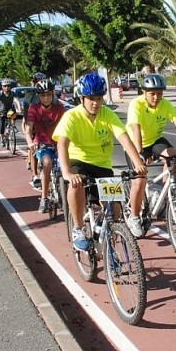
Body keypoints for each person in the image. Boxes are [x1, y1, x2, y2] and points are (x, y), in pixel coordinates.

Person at [52, 72, 147, 251]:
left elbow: (124, 138)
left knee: (116, 213)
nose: (96, 103)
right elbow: (62, 144)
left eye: (99, 98)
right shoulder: (71, 116)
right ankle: (78, 228)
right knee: (76, 184)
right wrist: (67, 173)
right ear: (82, 98)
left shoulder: (107, 114)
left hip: (102, 165)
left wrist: (138, 163)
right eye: (91, 98)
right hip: (78, 160)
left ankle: (110, 249)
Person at [124, 73, 176, 237]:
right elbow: (135, 128)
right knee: (139, 180)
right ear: (144, 92)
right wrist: (140, 153)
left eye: (159, 93)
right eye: (152, 94)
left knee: (173, 156)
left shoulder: (164, 104)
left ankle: (165, 194)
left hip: (154, 140)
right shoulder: (135, 104)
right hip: (135, 144)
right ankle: (134, 217)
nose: (156, 97)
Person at [26, 78, 66, 213]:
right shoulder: (34, 108)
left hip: (59, 143)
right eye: (43, 95)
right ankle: (44, 198)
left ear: (53, 94)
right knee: (47, 163)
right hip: (43, 144)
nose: (46, 98)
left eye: (49, 94)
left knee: (68, 165)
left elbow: (68, 125)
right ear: (38, 96)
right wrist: (30, 142)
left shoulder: (59, 107)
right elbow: (28, 129)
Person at [25, 72, 47, 178]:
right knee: (33, 147)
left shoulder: (51, 94)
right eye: (37, 82)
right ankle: (35, 175)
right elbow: (26, 111)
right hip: (33, 122)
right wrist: (27, 124)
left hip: (47, 123)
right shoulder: (30, 95)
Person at [0, 79, 22, 147]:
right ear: (2, 87)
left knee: (14, 114)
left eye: (8, 86)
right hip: (3, 110)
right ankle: (2, 139)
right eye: (5, 86)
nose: (7, 87)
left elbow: (17, 101)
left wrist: (19, 109)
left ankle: (12, 126)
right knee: (2, 125)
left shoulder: (12, 93)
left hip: (10, 109)